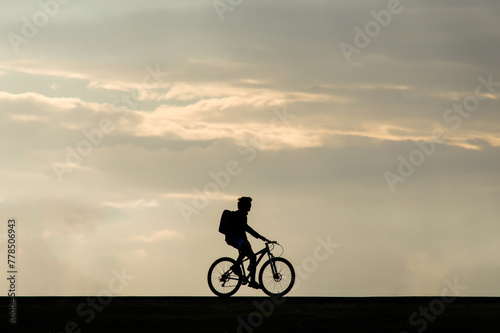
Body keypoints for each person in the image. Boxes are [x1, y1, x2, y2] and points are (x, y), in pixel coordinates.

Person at [224, 196, 269, 289]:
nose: (250, 206)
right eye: (248, 204)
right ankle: (236, 266)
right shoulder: (240, 215)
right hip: (233, 238)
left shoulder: (242, 215)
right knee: (248, 252)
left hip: (239, 239)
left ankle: (252, 281)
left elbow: (243, 230)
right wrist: (260, 237)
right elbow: (246, 228)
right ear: (243, 206)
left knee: (253, 257)